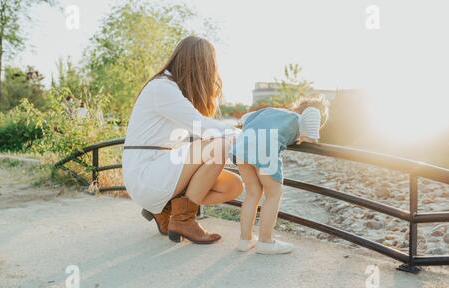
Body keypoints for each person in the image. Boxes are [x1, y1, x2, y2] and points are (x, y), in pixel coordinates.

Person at [123, 36, 243, 245]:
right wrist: (243, 134)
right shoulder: (162, 88)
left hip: (157, 171)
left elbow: (195, 133)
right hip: (146, 173)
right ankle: (183, 220)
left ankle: (167, 209)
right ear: (199, 65)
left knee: (233, 186)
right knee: (219, 145)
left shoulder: (172, 89)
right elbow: (200, 125)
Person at [230, 95, 329, 254]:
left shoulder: (273, 112)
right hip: (264, 149)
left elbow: (247, 119)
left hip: (242, 147)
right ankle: (265, 242)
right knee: (273, 194)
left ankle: (245, 240)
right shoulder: (304, 117)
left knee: (252, 194)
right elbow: (312, 122)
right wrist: (309, 135)